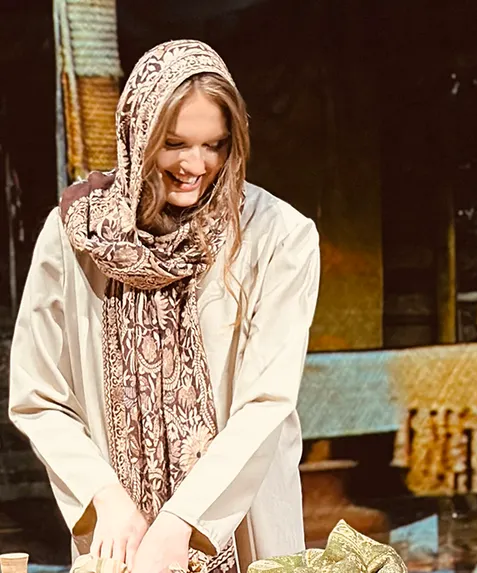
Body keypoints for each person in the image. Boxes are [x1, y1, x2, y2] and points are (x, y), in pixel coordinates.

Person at [7, 39, 320, 573]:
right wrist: (103, 494)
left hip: (232, 526)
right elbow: (39, 394)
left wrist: (183, 522)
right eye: (175, 143)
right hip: (119, 533)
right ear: (139, 133)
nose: (196, 165)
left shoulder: (279, 237)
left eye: (215, 145)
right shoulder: (76, 235)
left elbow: (265, 402)